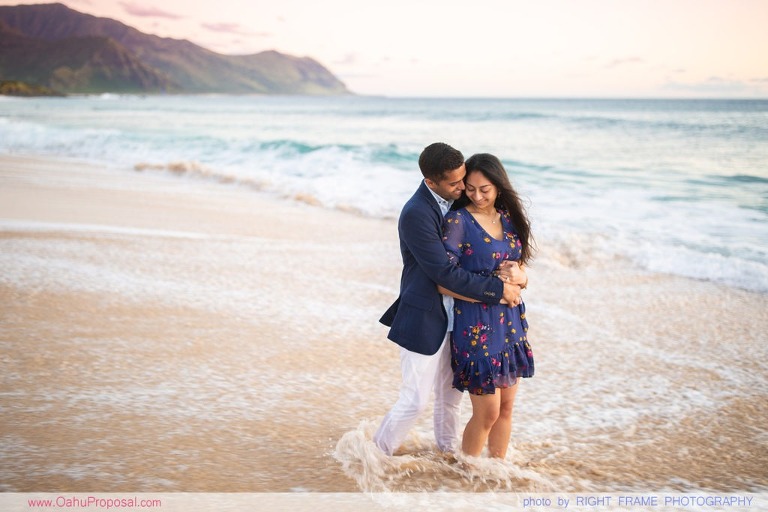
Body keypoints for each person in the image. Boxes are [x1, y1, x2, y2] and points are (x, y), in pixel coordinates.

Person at [375, 143, 522, 456]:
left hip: (461, 318)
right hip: (425, 315)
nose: (463, 188)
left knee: (450, 398)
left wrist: (520, 275)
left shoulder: (457, 201)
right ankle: (376, 454)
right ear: (431, 182)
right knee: (414, 401)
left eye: (463, 179)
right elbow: (443, 272)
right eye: (456, 183)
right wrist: (499, 290)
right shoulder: (416, 213)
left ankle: (448, 453)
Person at [438, 153, 534, 459]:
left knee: (506, 408)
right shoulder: (458, 222)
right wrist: (497, 292)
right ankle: (466, 472)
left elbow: (518, 267)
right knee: (487, 412)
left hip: (510, 322)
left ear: (499, 186)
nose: (477, 196)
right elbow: (444, 281)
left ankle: (496, 471)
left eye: (485, 189)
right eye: (470, 189)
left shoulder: (509, 218)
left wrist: (522, 278)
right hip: (475, 326)